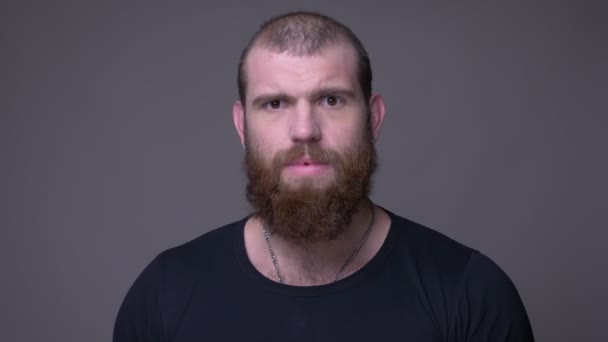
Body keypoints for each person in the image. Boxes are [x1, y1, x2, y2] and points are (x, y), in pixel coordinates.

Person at [113, 11, 534, 341]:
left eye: (331, 100)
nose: (304, 130)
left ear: (373, 118)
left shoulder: (471, 294)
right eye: (275, 103)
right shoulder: (164, 295)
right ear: (242, 126)